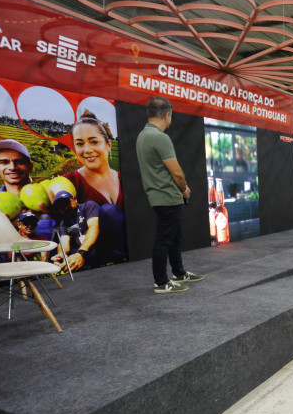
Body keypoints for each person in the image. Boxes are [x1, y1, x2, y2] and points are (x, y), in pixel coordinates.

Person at [135, 96, 204, 294]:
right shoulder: (159, 137)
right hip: (166, 195)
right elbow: (176, 172)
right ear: (167, 115)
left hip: (161, 196)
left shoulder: (143, 135)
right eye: (171, 116)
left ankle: (179, 273)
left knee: (174, 236)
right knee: (164, 239)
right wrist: (184, 189)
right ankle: (161, 282)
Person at [65, 110, 127, 263]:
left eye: (94, 142)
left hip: (133, 256)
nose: (87, 150)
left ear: (108, 144)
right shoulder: (69, 182)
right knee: (108, 210)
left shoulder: (124, 178)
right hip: (95, 258)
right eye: (80, 144)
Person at [49, 190, 101, 272]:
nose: (65, 208)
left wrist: (81, 253)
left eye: (67, 203)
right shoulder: (64, 221)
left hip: (95, 246)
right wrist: (61, 255)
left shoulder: (88, 206)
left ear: (75, 199)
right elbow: (64, 242)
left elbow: (93, 227)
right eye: (61, 207)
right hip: (81, 252)